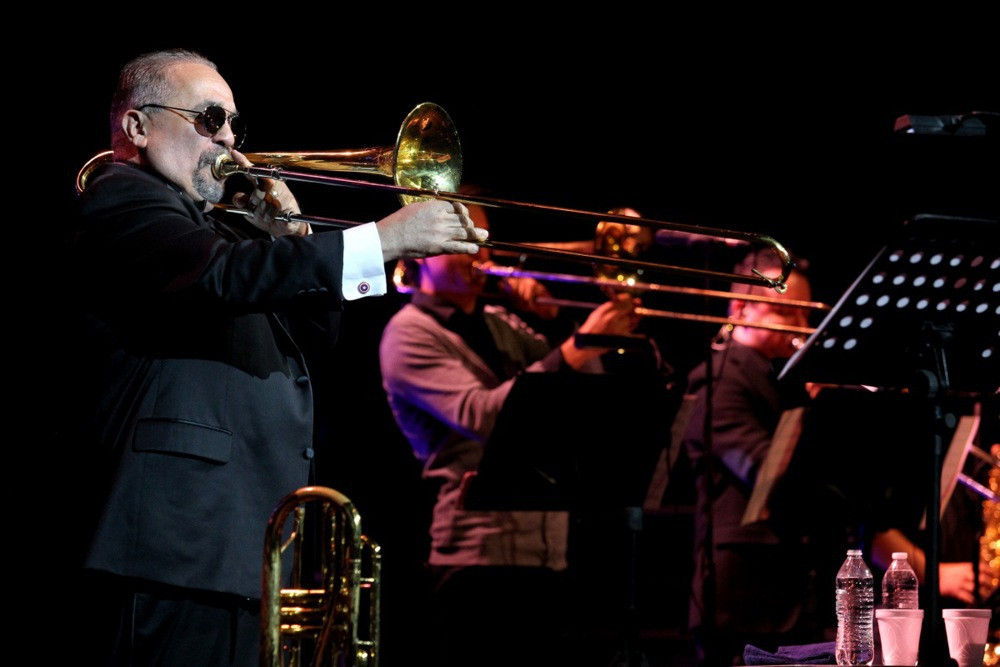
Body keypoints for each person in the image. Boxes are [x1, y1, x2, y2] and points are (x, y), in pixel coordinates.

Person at [60, 48, 487, 666]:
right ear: (137, 128)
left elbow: (314, 336)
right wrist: (384, 238)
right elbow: (217, 279)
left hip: (238, 546)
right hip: (168, 547)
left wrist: (291, 234)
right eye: (210, 119)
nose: (230, 139)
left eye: (233, 122)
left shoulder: (222, 229)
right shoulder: (120, 197)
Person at [378, 201, 641, 666]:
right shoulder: (408, 333)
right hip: (477, 560)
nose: (479, 250)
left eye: (483, 239)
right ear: (420, 250)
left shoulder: (501, 322)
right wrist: (575, 348)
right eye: (461, 239)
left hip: (549, 556)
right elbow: (480, 413)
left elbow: (581, 394)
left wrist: (562, 322)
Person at [682, 248, 818, 666]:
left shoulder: (780, 378)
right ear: (741, 308)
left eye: (803, 313)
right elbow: (764, 473)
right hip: (742, 599)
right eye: (789, 313)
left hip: (787, 591)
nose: (803, 327)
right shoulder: (718, 379)